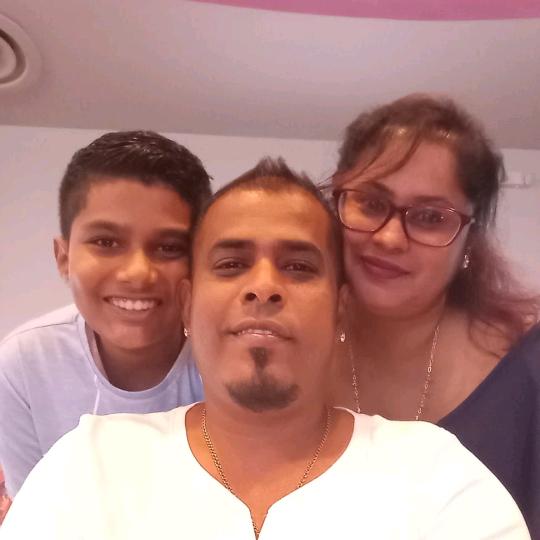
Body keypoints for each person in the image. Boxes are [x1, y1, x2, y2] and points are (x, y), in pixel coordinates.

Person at [0, 158, 529, 539]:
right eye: (231, 264)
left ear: (340, 310)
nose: (263, 287)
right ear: (187, 305)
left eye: (298, 266)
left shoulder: (437, 474)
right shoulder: (88, 465)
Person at [329, 94, 540, 535]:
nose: (389, 238)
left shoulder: (526, 369)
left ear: (469, 240)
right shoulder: (285, 349)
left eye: (429, 217)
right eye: (370, 202)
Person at [0, 131, 212, 499]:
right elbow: (34, 514)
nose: (137, 273)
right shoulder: (25, 363)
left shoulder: (224, 358)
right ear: (64, 258)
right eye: (106, 242)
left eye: (169, 247)